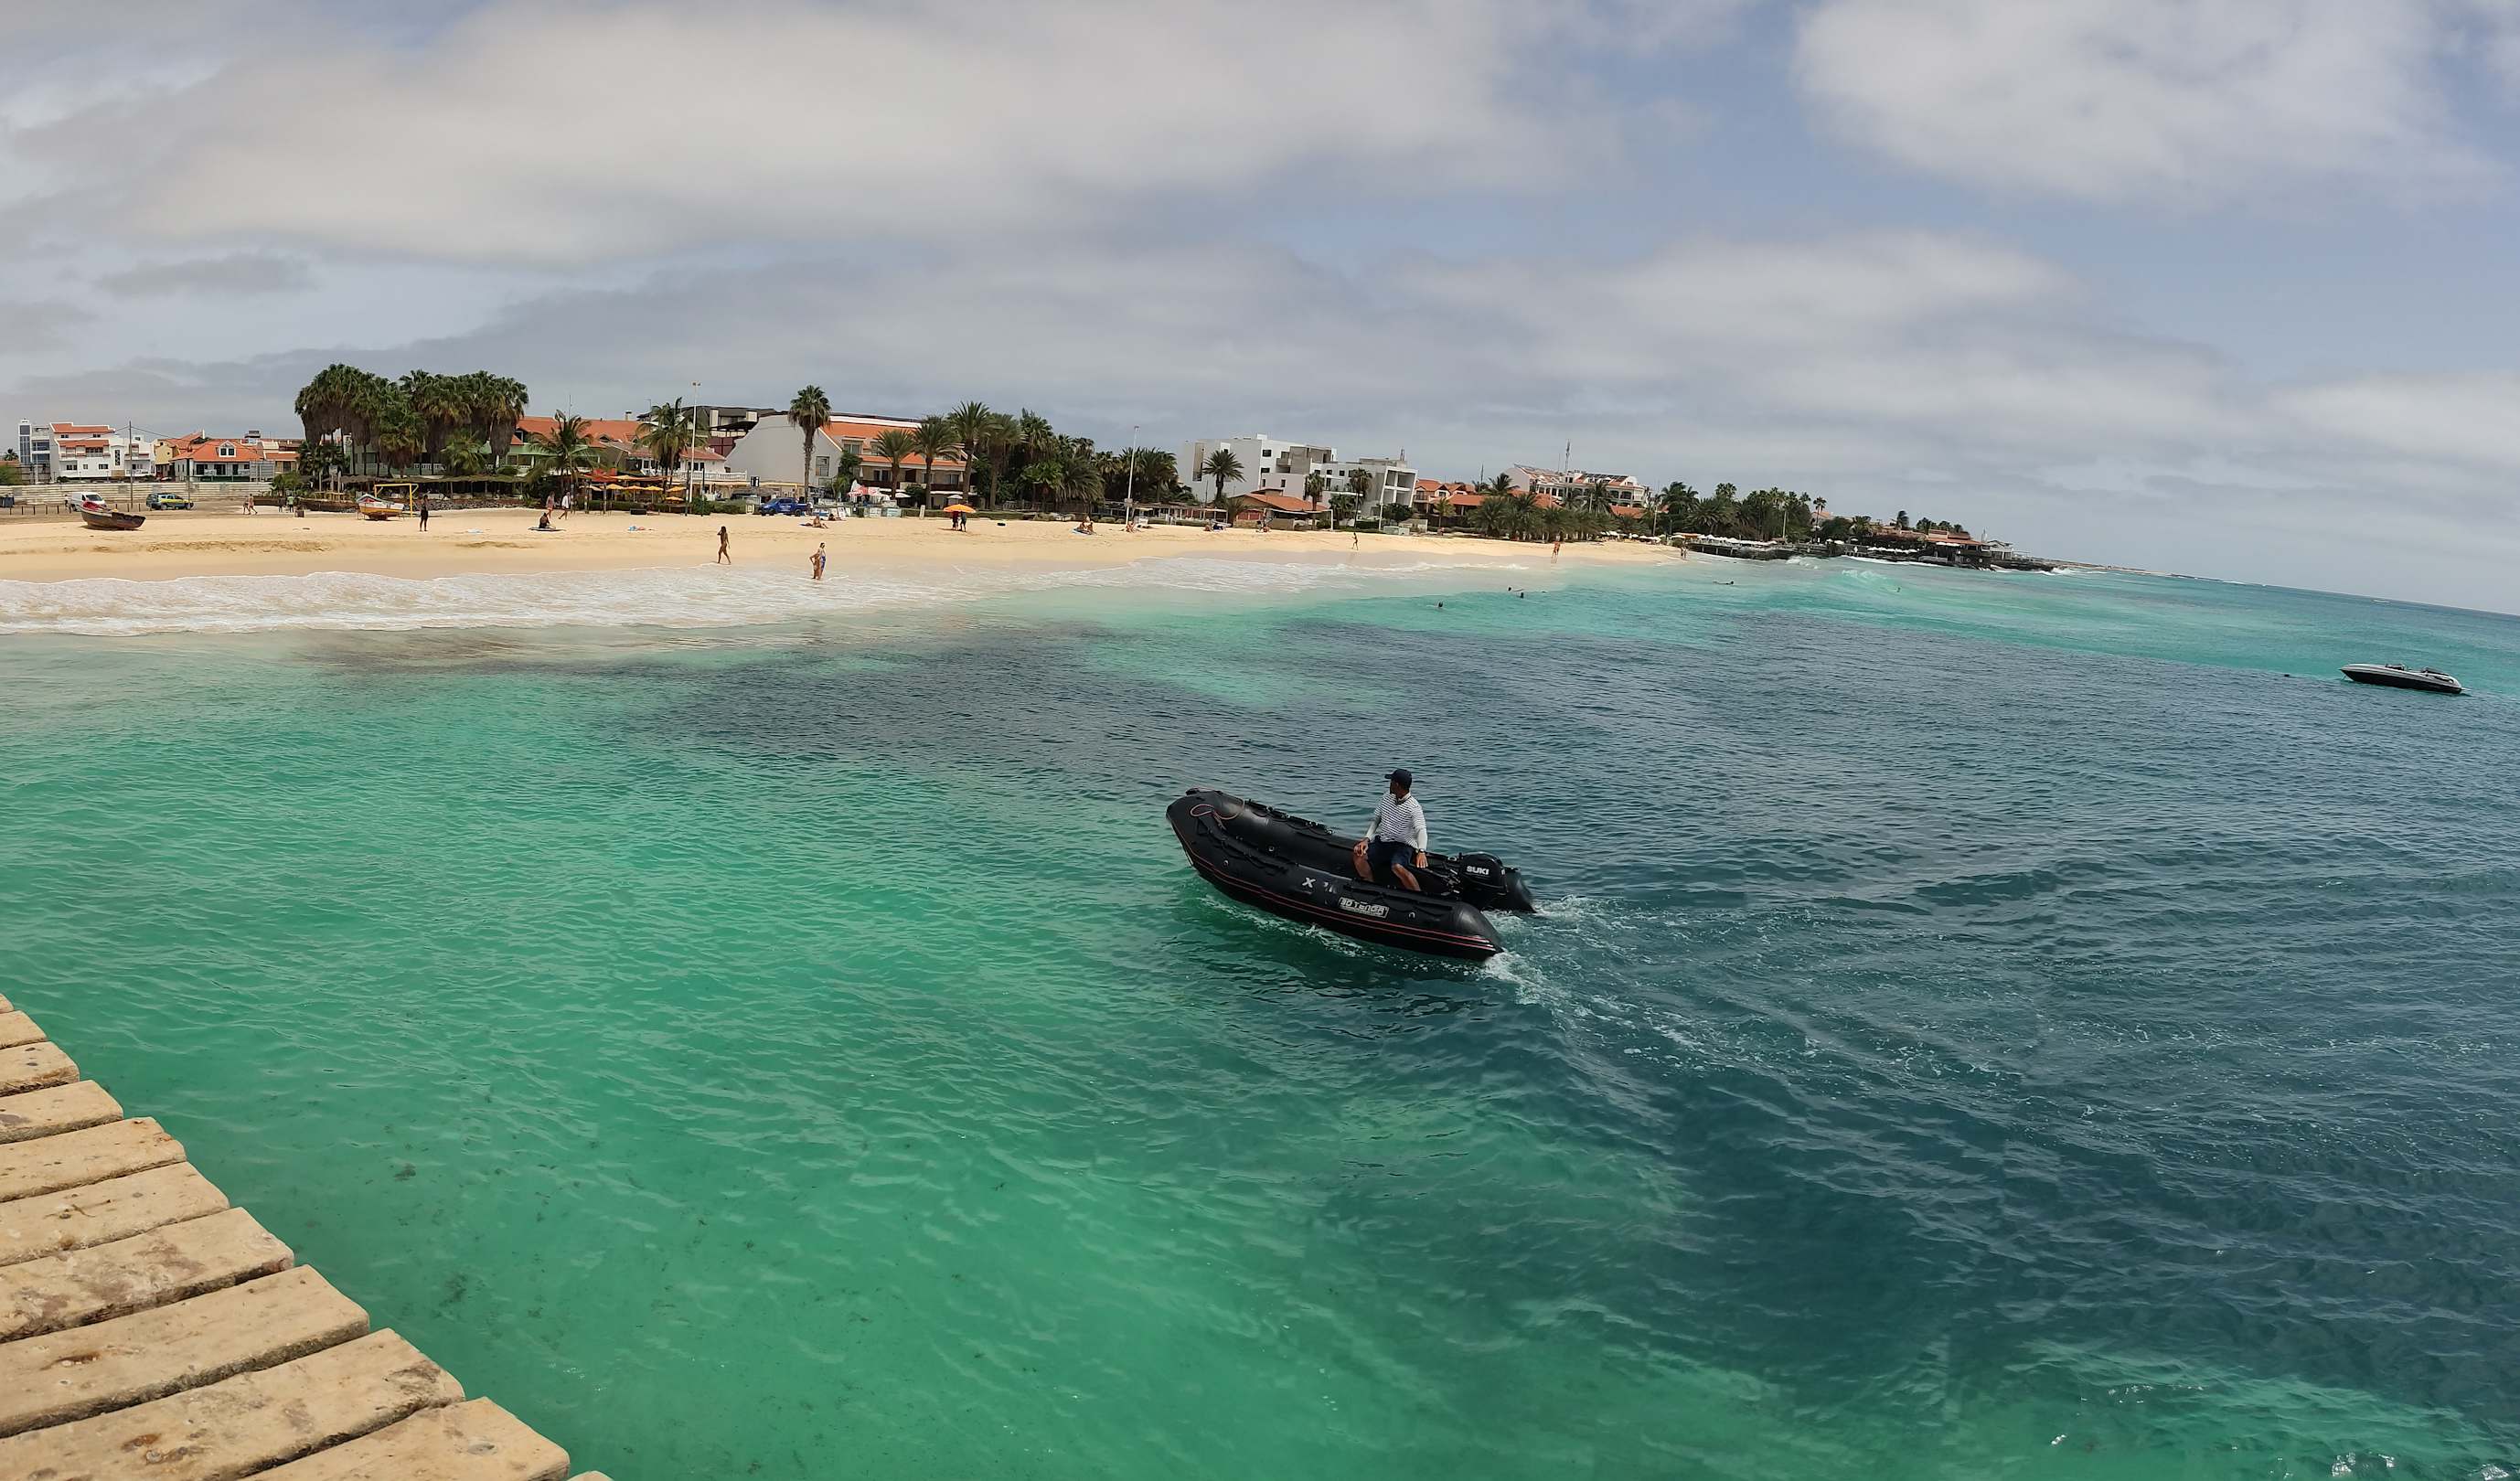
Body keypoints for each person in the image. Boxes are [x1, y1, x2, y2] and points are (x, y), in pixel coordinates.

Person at [1351, 769, 1428, 892]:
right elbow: (1376, 820)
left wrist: (1421, 851)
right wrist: (1366, 839)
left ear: (1396, 785)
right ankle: (1370, 886)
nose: (1389, 784)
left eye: (1391, 781)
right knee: (1358, 854)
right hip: (1384, 842)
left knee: (1397, 867)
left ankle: (1418, 895)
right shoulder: (1387, 797)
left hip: (1403, 846)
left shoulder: (1414, 807)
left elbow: (1421, 830)